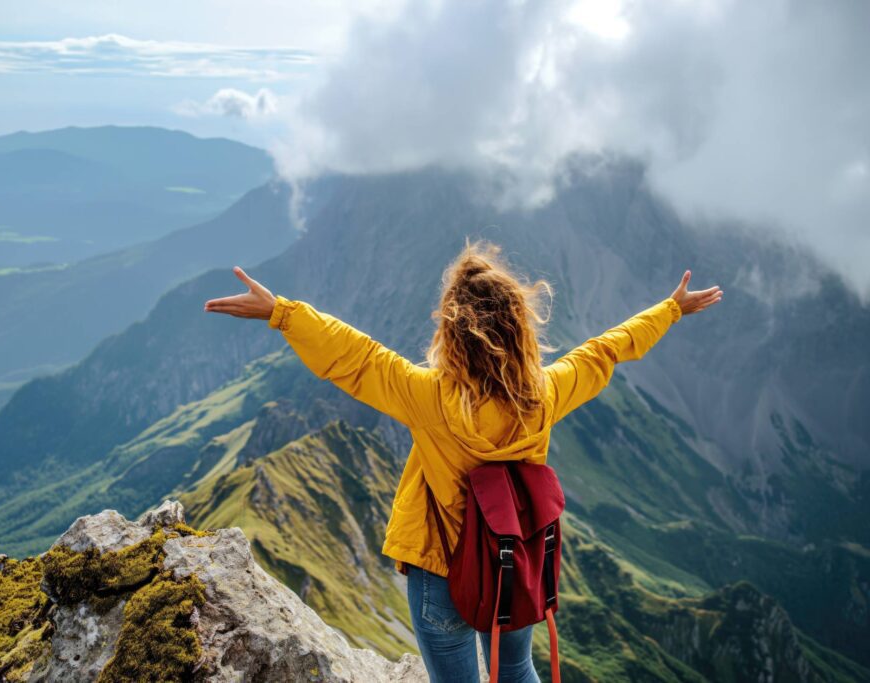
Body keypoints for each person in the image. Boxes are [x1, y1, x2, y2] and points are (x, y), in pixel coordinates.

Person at [204, 240, 722, 683]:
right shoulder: (543, 395)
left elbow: (357, 357)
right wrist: (670, 309)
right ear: (520, 330)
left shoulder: (427, 396)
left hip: (442, 568)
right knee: (517, 671)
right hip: (512, 560)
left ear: (452, 333)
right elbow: (605, 351)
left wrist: (281, 313)